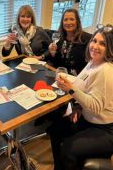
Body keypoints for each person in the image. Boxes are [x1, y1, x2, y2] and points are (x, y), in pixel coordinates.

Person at [47, 25, 113, 170]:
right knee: (55, 130)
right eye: (94, 41)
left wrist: (70, 89)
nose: (95, 46)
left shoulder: (106, 70)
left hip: (104, 128)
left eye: (102, 44)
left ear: (110, 48)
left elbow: (96, 106)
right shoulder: (92, 62)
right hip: (86, 117)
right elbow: (82, 87)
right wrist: (77, 107)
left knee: (68, 149)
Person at [47, 8, 91, 76]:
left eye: (72, 19)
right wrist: (52, 53)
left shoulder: (87, 39)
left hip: (77, 79)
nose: (68, 22)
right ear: (62, 22)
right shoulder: (58, 38)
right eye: (65, 20)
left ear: (77, 22)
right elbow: (55, 63)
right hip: (60, 75)